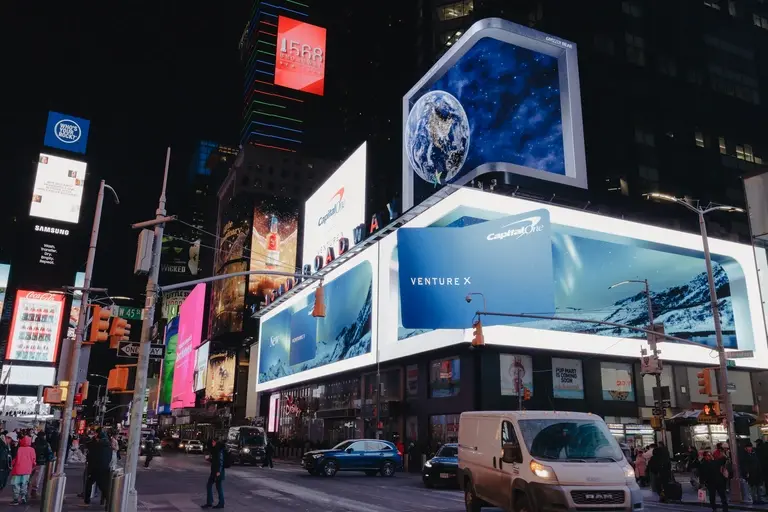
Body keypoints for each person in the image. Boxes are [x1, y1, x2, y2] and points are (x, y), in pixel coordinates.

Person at [84, 431, 112, 506]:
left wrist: (93, 439)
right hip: (105, 468)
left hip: (95, 468)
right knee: (104, 486)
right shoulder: (108, 446)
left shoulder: (96, 445)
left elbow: (88, 446)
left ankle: (87, 500)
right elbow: (109, 458)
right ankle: (108, 501)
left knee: (89, 483)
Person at [9, 435, 36, 505]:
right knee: (24, 484)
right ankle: (23, 498)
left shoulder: (19, 449)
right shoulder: (32, 450)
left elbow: (14, 459)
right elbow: (34, 461)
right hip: (27, 471)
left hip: (17, 470)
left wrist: (11, 465)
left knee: (16, 484)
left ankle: (16, 499)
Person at [30, 432, 53, 499]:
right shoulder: (46, 444)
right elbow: (49, 453)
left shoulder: (34, 444)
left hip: (32, 462)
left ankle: (25, 489)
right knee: (38, 476)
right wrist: (50, 459)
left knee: (29, 475)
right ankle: (34, 491)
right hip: (41, 462)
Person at [202, 439, 225, 509]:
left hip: (218, 472)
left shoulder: (219, 451)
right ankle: (211, 502)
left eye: (213, 442)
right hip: (215, 471)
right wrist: (209, 459)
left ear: (216, 442)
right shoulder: (216, 450)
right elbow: (215, 461)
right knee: (212, 486)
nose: (212, 443)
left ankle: (219, 503)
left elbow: (220, 462)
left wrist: (218, 471)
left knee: (217, 487)